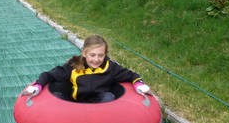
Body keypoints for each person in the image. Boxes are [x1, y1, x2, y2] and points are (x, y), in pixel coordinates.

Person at [22, 35, 150, 103]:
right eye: (92, 55)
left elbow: (131, 75)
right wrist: (37, 86)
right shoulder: (73, 66)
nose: (96, 59)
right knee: (56, 97)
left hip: (99, 103)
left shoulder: (110, 68)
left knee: (109, 97)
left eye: (100, 55)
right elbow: (49, 75)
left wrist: (139, 84)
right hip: (75, 102)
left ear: (105, 54)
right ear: (84, 53)